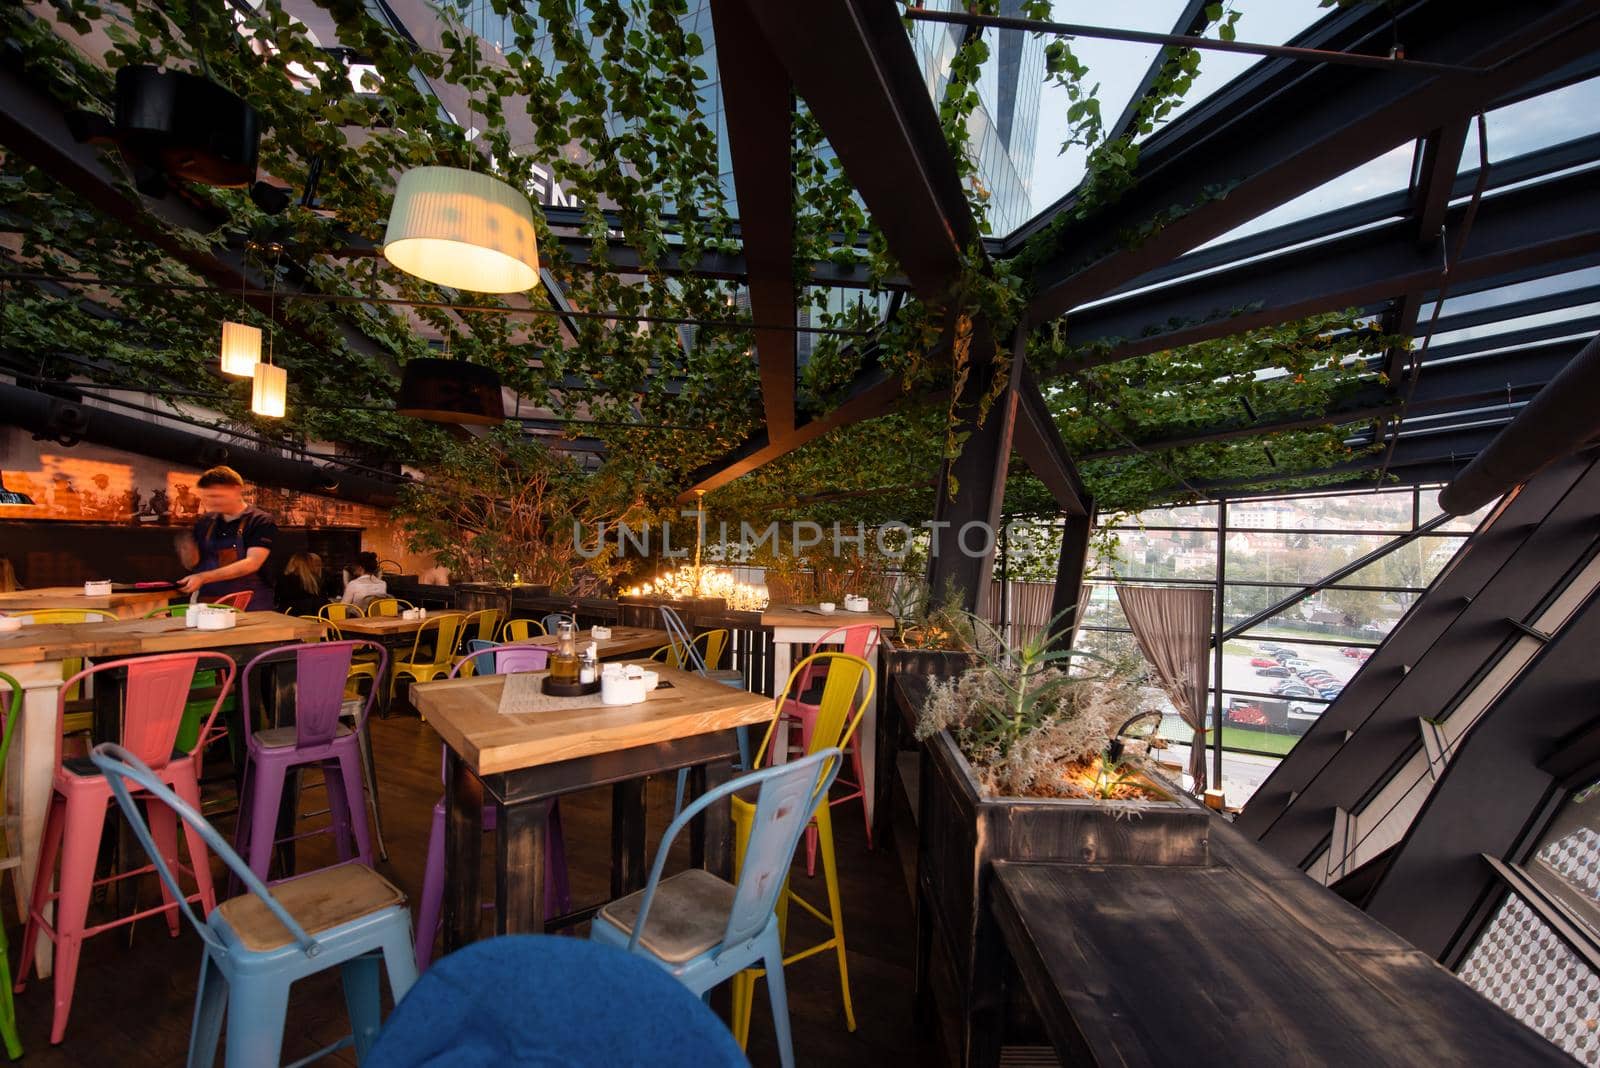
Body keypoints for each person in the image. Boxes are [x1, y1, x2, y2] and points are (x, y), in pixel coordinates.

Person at [177, 466, 277, 610]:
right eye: (207, 497)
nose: (211, 502)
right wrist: (187, 552)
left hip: (250, 607)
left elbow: (252, 563)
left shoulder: (260, 521)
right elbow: (193, 564)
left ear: (236, 490)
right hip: (209, 605)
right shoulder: (206, 521)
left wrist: (203, 577)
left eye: (216, 496)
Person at [275, 552, 326, 618]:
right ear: (309, 564)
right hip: (310, 617)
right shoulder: (313, 581)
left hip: (287, 615)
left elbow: (277, 599)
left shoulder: (282, 578)